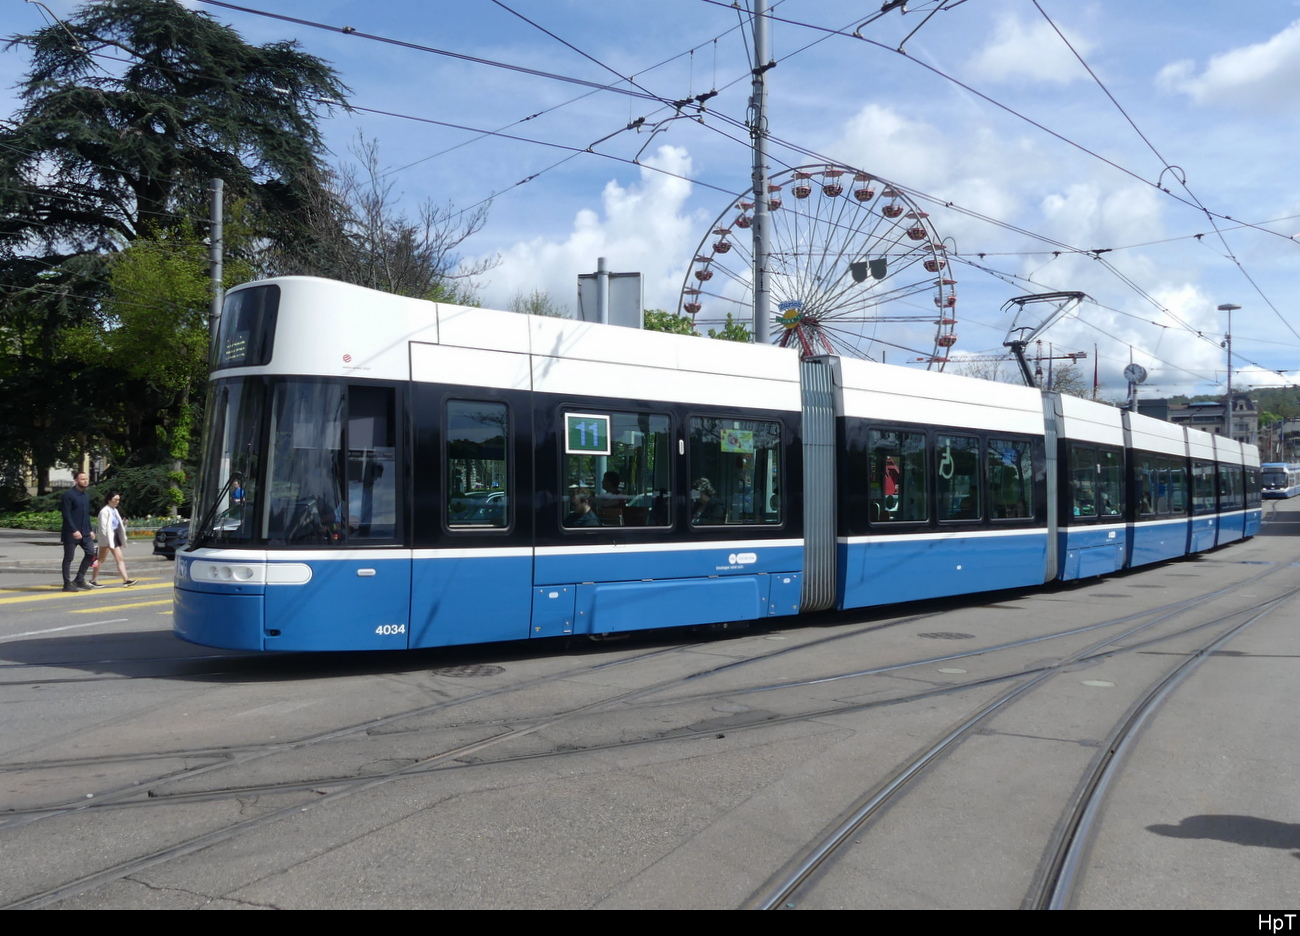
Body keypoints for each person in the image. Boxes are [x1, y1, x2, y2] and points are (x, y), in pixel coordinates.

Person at [89, 491, 137, 588]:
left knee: (119, 559)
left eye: (118, 499)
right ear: (109, 499)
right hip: (107, 539)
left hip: (114, 537)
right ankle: (93, 580)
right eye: (115, 499)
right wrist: (107, 541)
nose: (117, 501)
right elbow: (103, 528)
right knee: (101, 559)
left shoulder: (114, 510)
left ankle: (126, 579)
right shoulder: (104, 511)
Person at [60, 471, 96, 591]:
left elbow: (86, 515)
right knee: (69, 557)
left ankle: (79, 579)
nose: (85, 481)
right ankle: (67, 584)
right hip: (71, 533)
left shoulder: (86, 496)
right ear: (76, 480)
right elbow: (66, 515)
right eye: (82, 479)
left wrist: (90, 530)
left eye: (86, 479)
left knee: (91, 553)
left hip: (85, 532)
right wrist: (74, 530)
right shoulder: (68, 495)